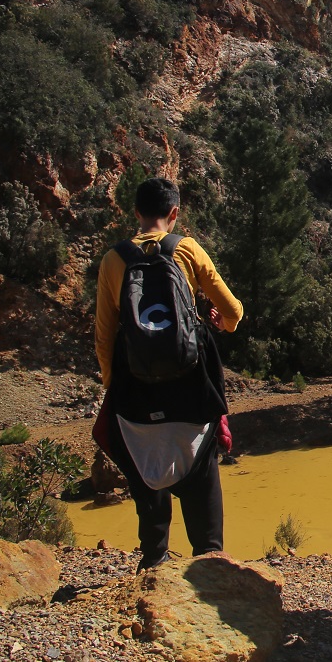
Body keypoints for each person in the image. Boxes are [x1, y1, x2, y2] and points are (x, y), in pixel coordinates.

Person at [93, 177, 243, 570]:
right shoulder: (187, 250)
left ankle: (154, 559)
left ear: (136, 213)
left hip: (135, 391)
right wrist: (221, 324)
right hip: (190, 386)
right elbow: (233, 312)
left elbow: (104, 335)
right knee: (202, 471)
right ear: (174, 214)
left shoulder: (113, 260)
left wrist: (114, 385)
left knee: (145, 470)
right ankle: (210, 561)